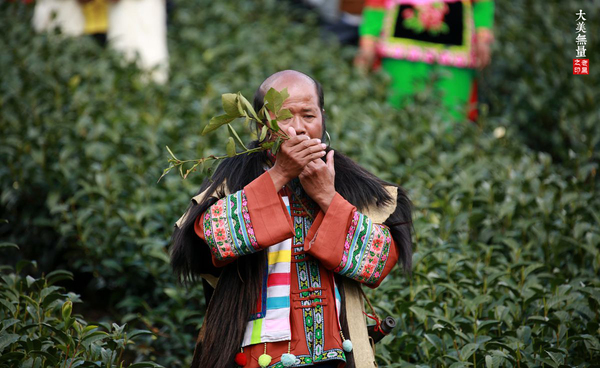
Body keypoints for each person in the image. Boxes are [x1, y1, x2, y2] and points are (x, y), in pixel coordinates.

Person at [171, 70, 413, 368]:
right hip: (250, 355)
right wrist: (279, 175)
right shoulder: (234, 180)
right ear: (260, 124)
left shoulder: (351, 183)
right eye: (285, 117)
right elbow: (207, 243)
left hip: (336, 356)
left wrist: (327, 197)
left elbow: (377, 261)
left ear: (323, 118)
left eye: (308, 115)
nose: (299, 129)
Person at [354, 0, 495, 121]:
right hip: (399, 53)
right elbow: (376, 4)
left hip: (455, 58)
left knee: (453, 117)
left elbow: (482, 3)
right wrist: (368, 42)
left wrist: (483, 37)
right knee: (395, 115)